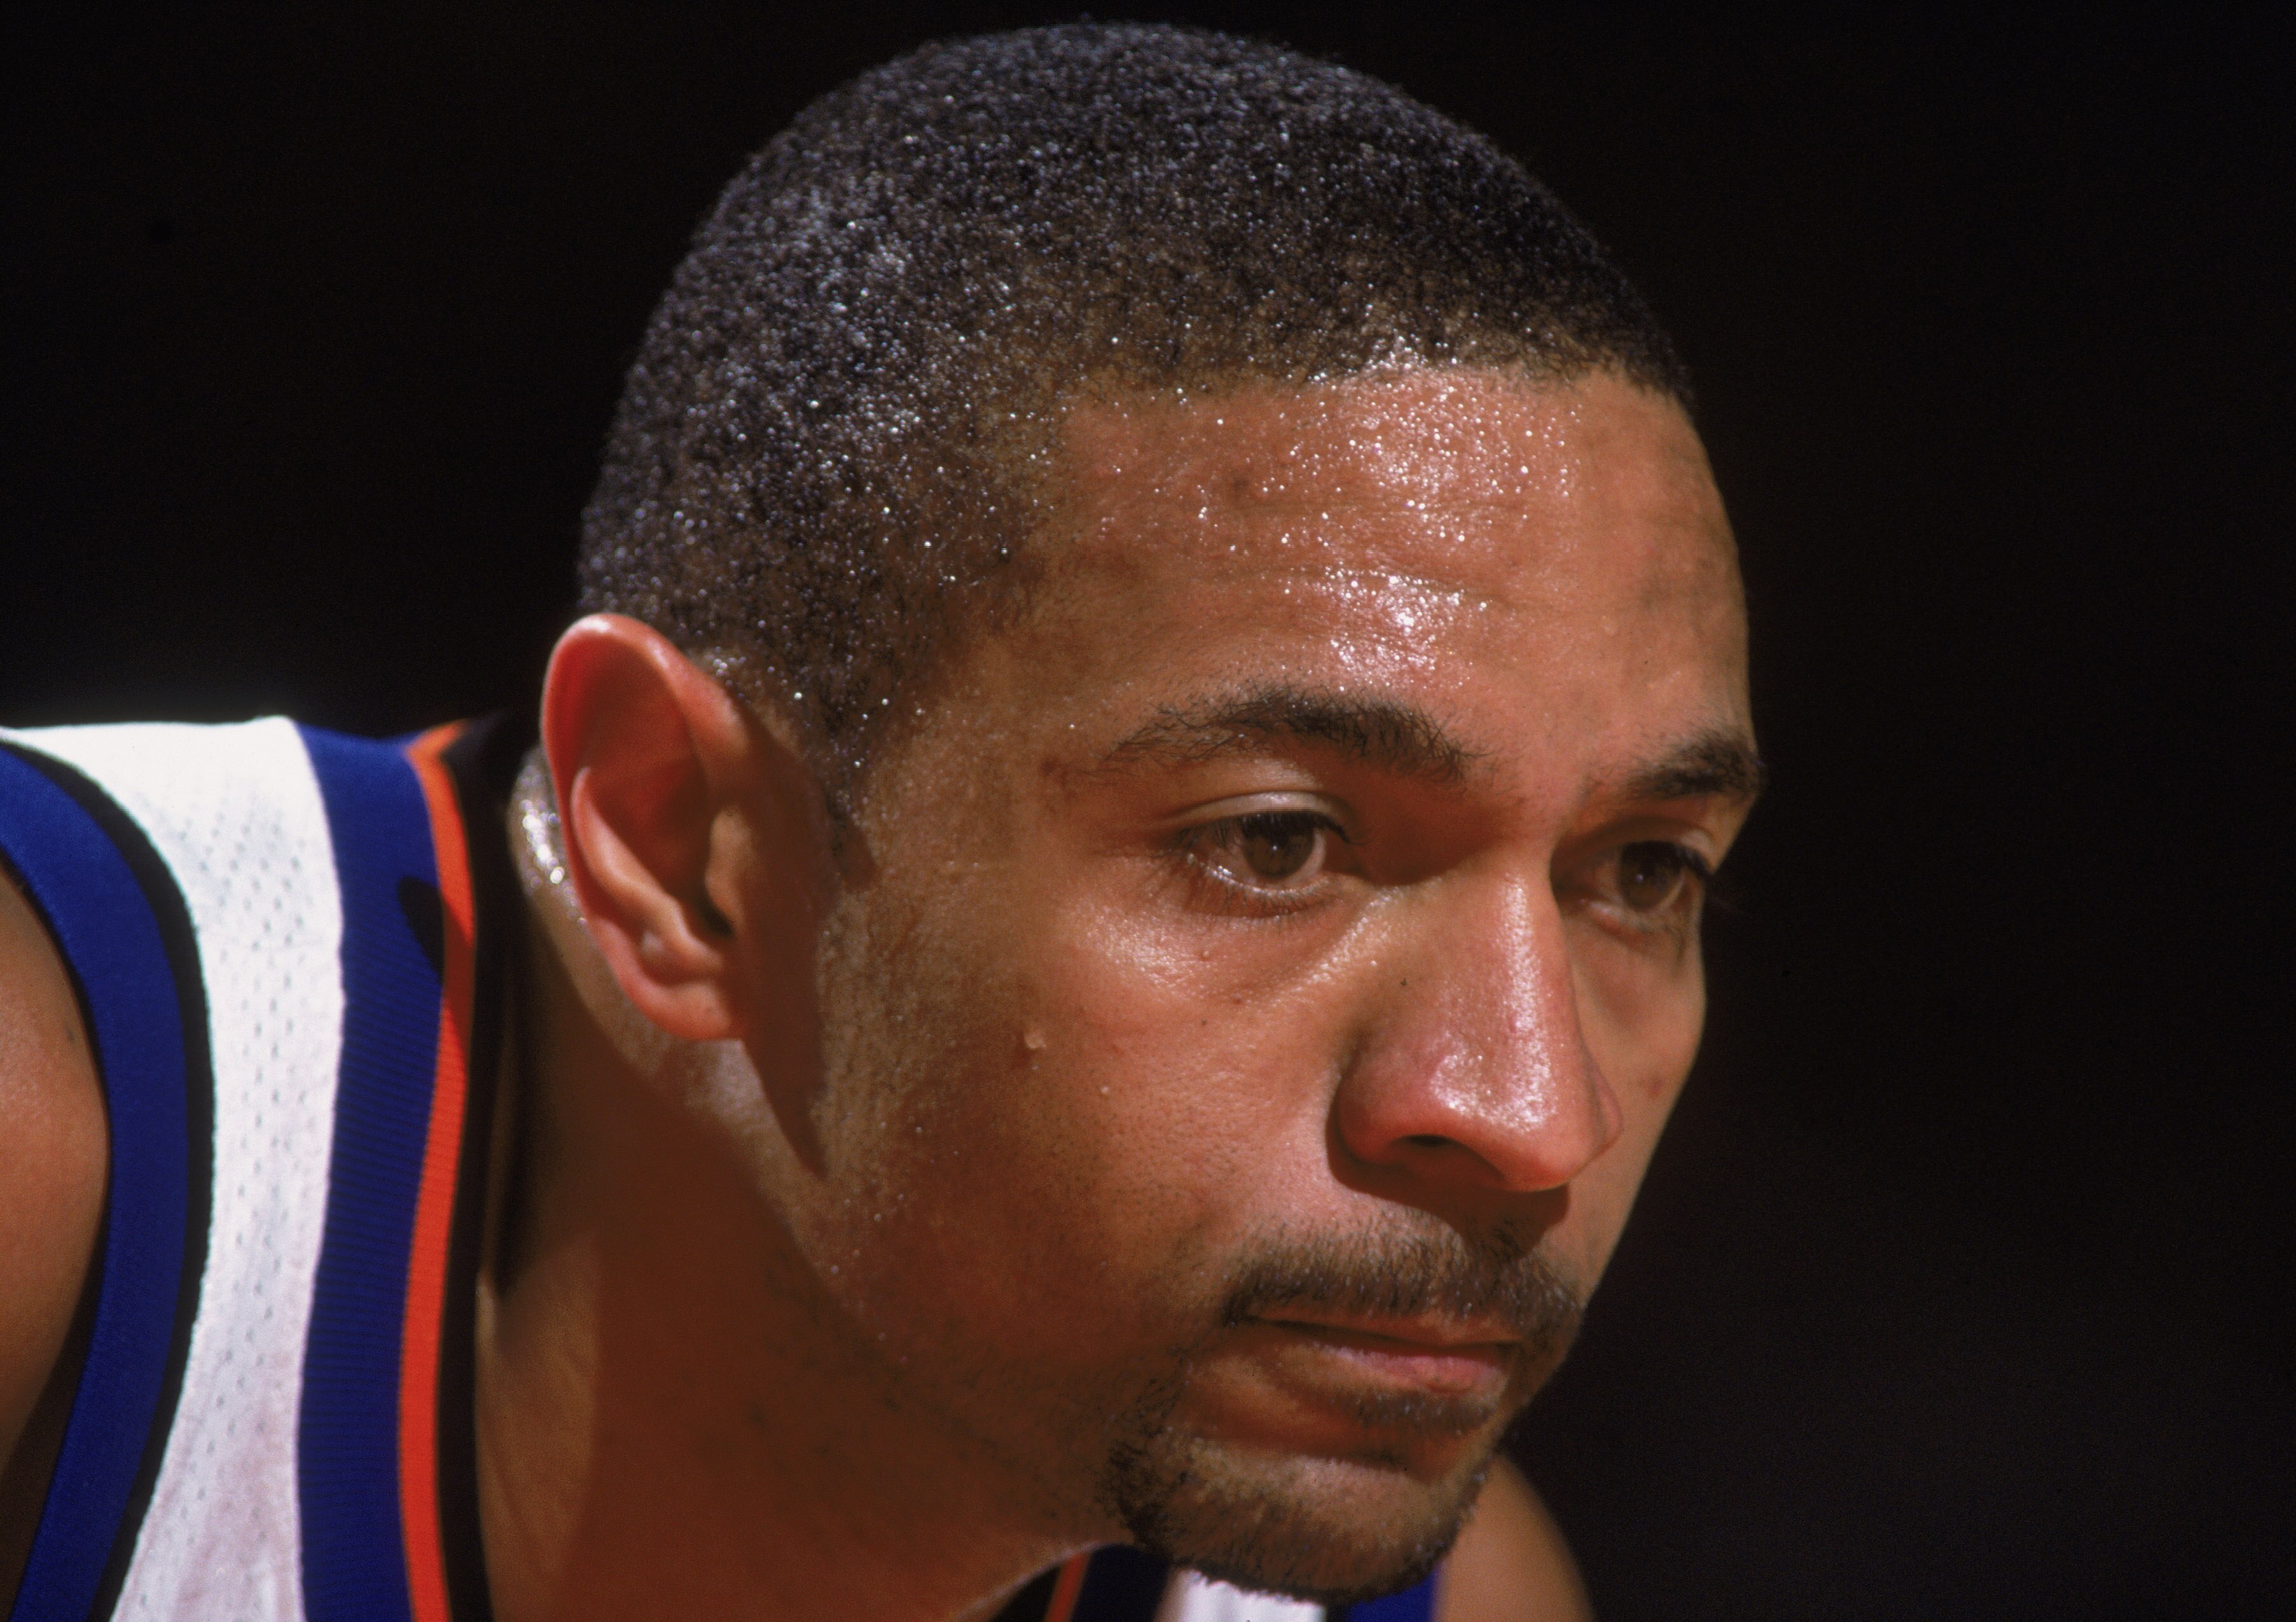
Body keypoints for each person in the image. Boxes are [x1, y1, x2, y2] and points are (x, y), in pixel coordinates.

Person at [0, 23, 1759, 1622]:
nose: (1532, 1117)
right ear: (682, 841)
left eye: (1638, 873)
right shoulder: (48, 1147)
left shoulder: (1423, 1586)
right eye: (1277, 843)